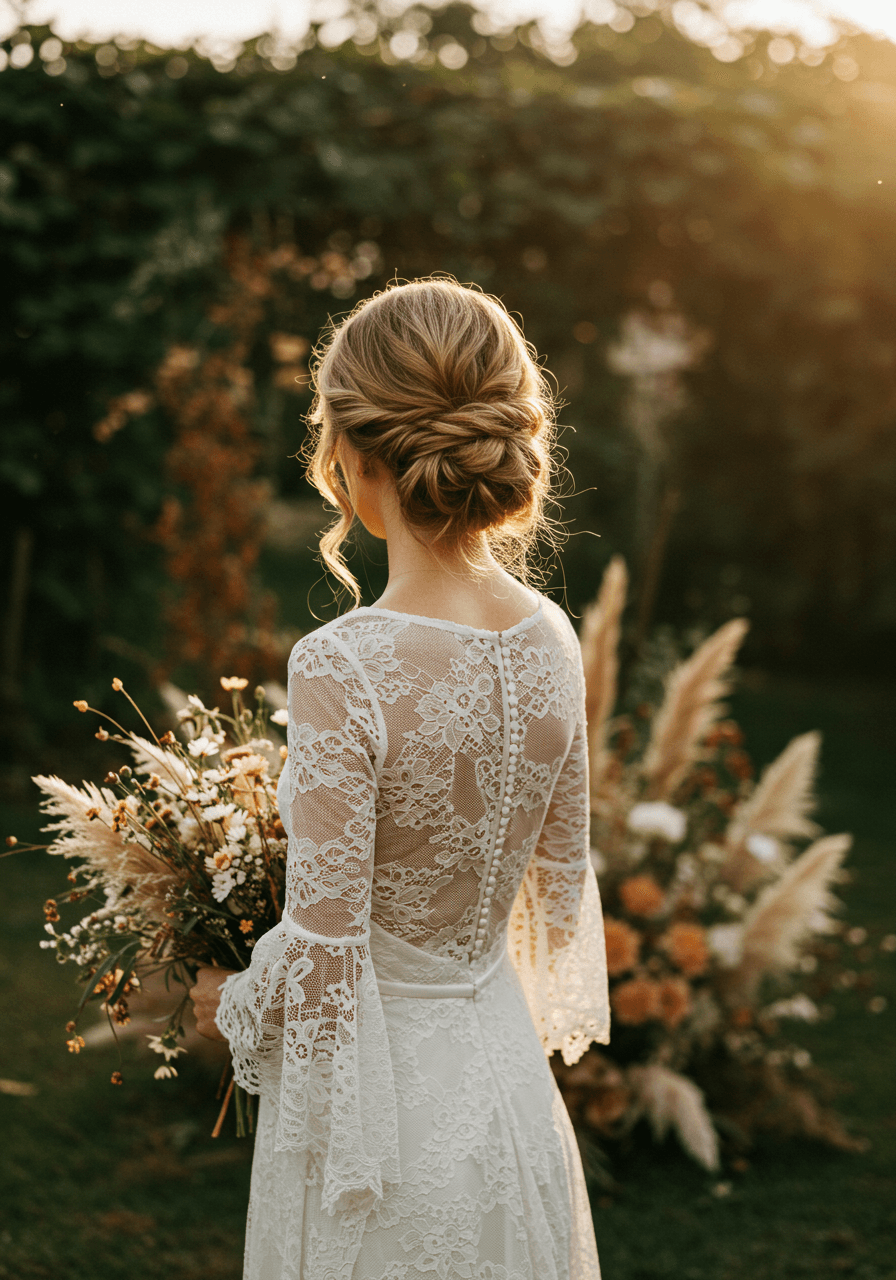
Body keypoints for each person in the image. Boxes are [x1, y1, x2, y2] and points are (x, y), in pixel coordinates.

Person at [189, 277, 610, 1280]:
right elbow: (553, 888)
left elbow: (326, 955)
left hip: (378, 1125)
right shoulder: (550, 636)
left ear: (348, 453)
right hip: (504, 1083)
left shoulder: (344, 663)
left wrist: (230, 991)